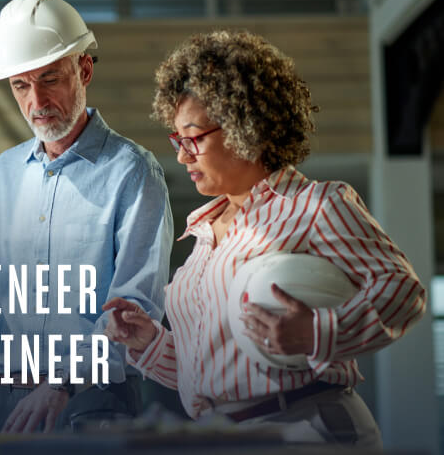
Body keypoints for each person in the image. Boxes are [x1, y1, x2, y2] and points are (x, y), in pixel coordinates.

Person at [103, 30, 426, 449]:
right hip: (225, 434)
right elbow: (209, 373)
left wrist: (316, 334)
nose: (182, 155)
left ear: (244, 128)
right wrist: (147, 342)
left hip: (307, 428)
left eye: (193, 137)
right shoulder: (203, 234)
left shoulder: (316, 204)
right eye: (177, 140)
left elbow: (403, 290)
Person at [0, 0, 173, 433]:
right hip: (9, 403)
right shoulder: (4, 173)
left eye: (49, 79)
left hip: (95, 405)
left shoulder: (133, 172)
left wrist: (63, 380)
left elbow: (134, 312)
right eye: (20, 86)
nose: (36, 100)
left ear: (84, 70)